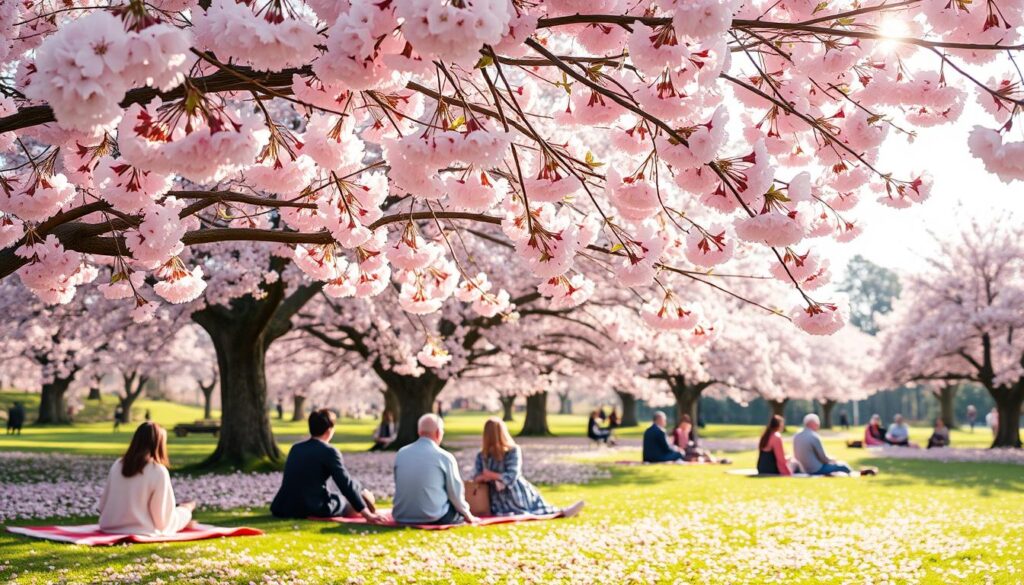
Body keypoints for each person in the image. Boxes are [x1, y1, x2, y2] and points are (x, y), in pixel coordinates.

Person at [271, 409, 383, 523]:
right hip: (313, 507)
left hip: (284, 506)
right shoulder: (329, 451)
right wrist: (367, 514)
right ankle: (364, 498)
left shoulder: (296, 448)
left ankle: (362, 494)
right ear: (330, 430)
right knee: (346, 502)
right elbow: (344, 483)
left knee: (349, 491)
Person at [472, 418, 584, 517]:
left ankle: (562, 512)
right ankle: (562, 512)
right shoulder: (482, 455)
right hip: (495, 497)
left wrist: (492, 475)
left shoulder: (512, 451)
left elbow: (512, 476)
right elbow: (475, 477)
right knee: (531, 508)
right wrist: (482, 477)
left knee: (537, 506)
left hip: (514, 492)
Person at [98, 422, 196, 536]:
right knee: (185, 509)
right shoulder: (158, 471)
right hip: (141, 530)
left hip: (108, 527)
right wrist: (186, 511)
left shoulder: (118, 465)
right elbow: (163, 522)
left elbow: (102, 506)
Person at [393, 414, 478, 525]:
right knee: (454, 508)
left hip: (401, 515)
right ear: (438, 433)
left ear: (419, 432)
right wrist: (468, 515)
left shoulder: (401, 453)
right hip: (434, 516)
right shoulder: (444, 456)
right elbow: (455, 493)